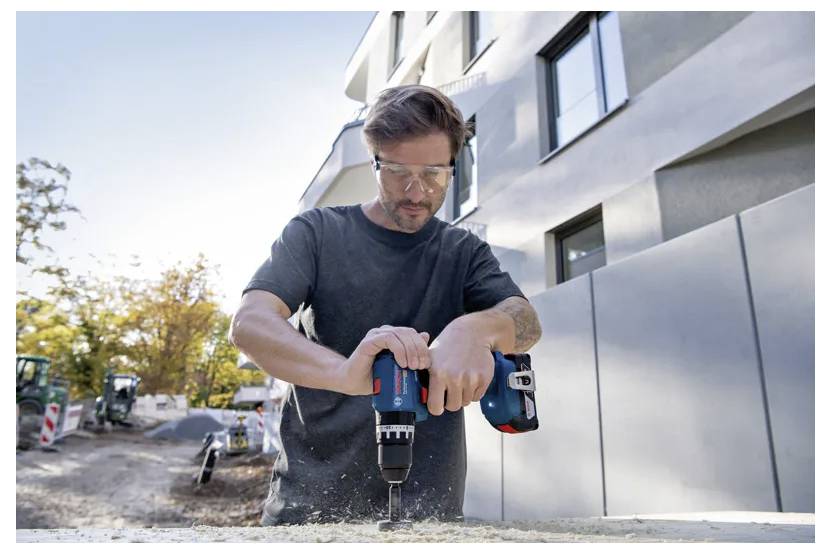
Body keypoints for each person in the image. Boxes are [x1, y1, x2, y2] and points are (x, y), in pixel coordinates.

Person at [229, 84, 542, 525]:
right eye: (397, 172)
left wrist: (472, 330)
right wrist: (344, 373)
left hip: (430, 518)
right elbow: (249, 324)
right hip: (308, 511)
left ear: (453, 166)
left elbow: (525, 321)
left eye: (434, 174)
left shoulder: (464, 252)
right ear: (374, 161)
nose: (416, 192)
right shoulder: (316, 234)